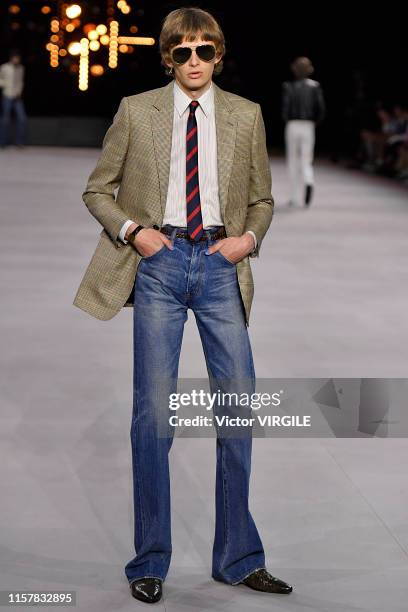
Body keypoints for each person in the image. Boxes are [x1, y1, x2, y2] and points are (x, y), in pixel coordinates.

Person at [73, 7, 293, 604]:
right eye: (182, 52)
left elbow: (263, 198)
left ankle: (239, 558)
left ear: (219, 55)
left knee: (239, 409)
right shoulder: (136, 110)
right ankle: (150, 560)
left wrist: (247, 241)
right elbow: (97, 188)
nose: (193, 62)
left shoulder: (246, 115)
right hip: (161, 263)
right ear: (167, 57)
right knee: (153, 417)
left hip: (220, 265)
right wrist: (132, 232)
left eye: (204, 51)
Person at [282, 56, 325, 207]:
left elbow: (285, 108)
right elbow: (320, 109)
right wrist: (314, 122)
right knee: (306, 158)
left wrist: (288, 118)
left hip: (293, 124)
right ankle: (308, 180)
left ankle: (294, 198)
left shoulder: (289, 86)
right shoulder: (315, 86)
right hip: (308, 125)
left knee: (293, 159)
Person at [0, 50, 27, 148]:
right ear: (11, 58)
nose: (17, 60)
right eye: (15, 58)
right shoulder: (4, 67)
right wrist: (4, 85)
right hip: (7, 94)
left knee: (22, 119)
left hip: (17, 96)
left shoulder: (21, 68)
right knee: (5, 119)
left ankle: (19, 142)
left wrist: (19, 92)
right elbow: (1, 78)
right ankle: (2, 142)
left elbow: (20, 81)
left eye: (18, 58)